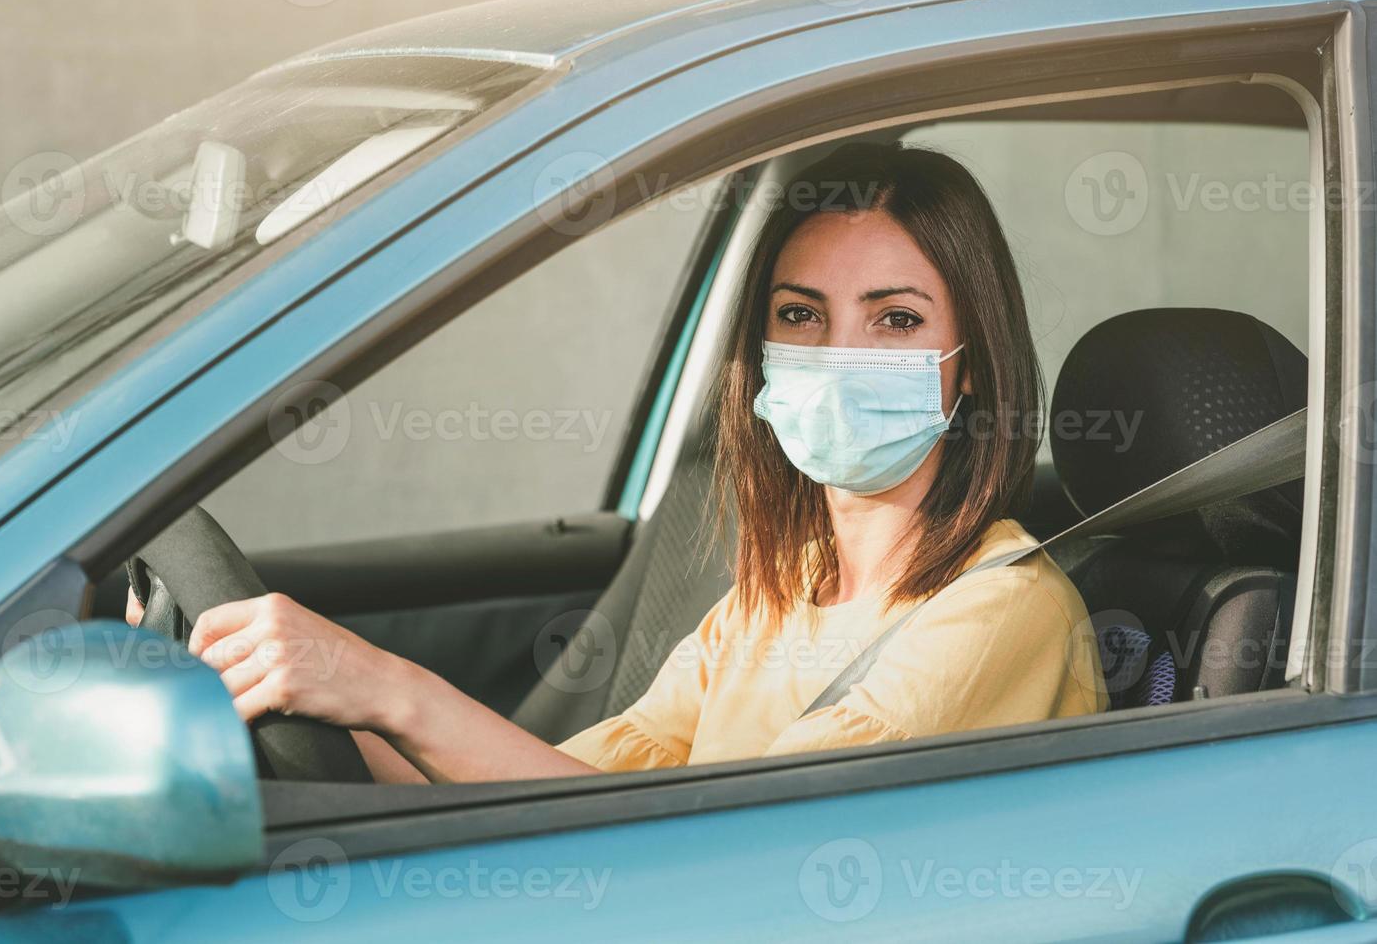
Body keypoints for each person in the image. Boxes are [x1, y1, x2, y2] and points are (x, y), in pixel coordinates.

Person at [127, 141, 1108, 783]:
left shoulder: (999, 610)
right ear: (758, 349)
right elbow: (564, 791)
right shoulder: (781, 590)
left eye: (894, 319)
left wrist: (385, 684)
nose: (837, 355)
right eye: (800, 314)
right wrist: (313, 692)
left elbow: (729, 846)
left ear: (970, 366)